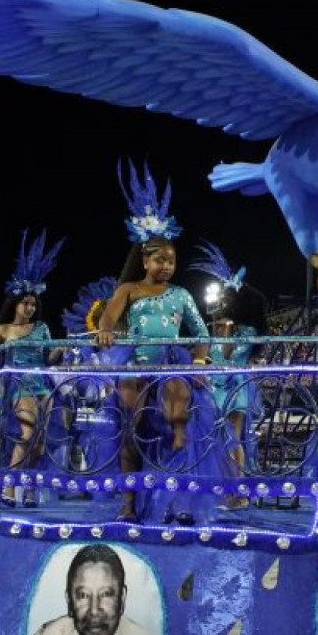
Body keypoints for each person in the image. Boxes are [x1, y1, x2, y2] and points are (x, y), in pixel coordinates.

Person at [96, 163, 210, 521]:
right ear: (145, 260)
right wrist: (105, 330)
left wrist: (199, 361)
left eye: (172, 261)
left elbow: (201, 333)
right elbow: (109, 316)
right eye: (160, 259)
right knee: (130, 430)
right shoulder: (128, 289)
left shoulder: (181, 294)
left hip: (173, 362)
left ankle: (177, 499)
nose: (167, 266)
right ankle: (129, 505)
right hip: (136, 362)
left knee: (179, 419)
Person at [0, 230, 65, 508]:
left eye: (33, 304)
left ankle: (28, 489)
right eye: (25, 302)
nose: (29, 307)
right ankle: (8, 487)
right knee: (27, 434)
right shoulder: (3, 329)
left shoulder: (42, 328)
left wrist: (58, 353)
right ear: (14, 302)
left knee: (39, 441)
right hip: (19, 384)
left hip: (42, 384)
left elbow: (48, 359)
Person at [189, 241, 266, 506]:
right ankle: (226, 489)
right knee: (218, 440)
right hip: (215, 388)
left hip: (235, 388)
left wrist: (229, 332)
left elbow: (232, 355)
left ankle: (239, 493)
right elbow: (213, 355)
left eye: (227, 299)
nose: (222, 303)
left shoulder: (247, 332)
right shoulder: (219, 328)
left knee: (233, 438)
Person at [25, 544, 160, 635]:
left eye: (106, 594)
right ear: (69, 600)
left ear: (122, 597)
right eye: (83, 595)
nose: (94, 610)